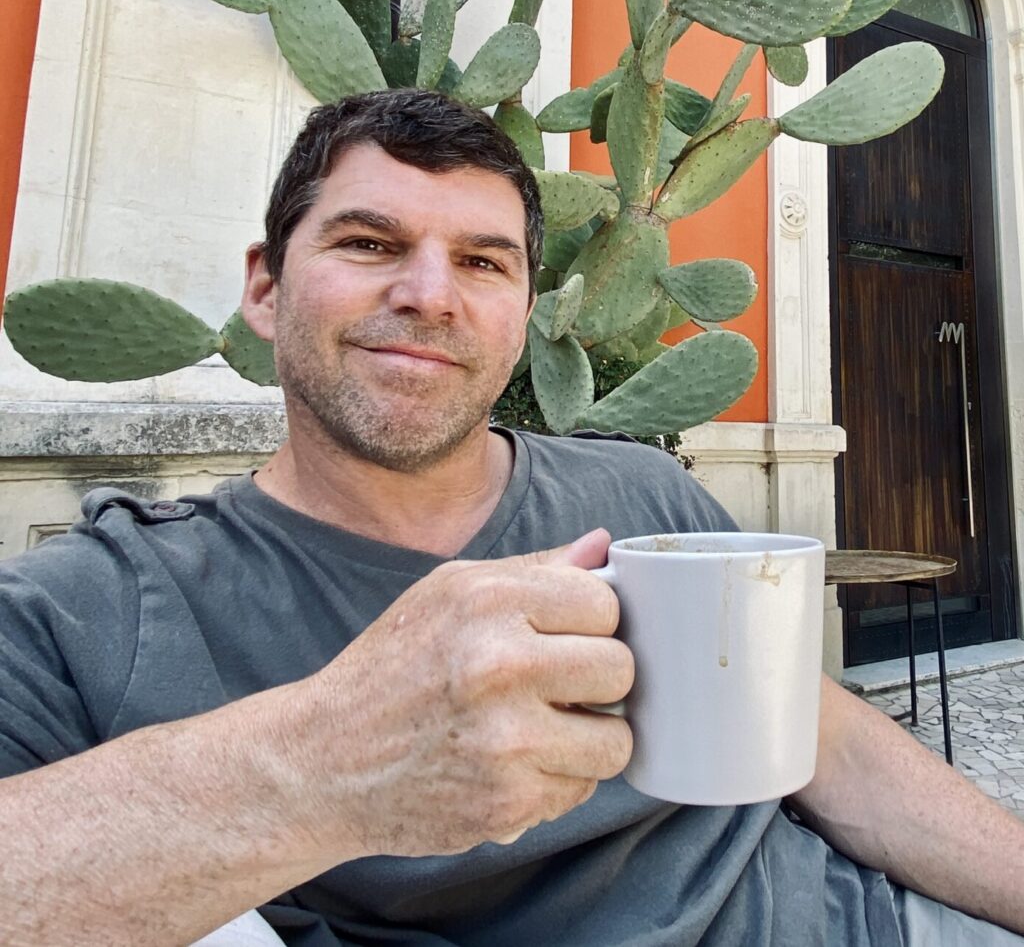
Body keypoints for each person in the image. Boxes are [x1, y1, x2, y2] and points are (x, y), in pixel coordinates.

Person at [1, 89, 1022, 947]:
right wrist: (320, 761)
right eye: (369, 242)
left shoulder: (644, 495)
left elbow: (825, 738)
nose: (429, 294)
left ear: (525, 314)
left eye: (484, 262)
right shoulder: (93, 611)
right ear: (265, 290)